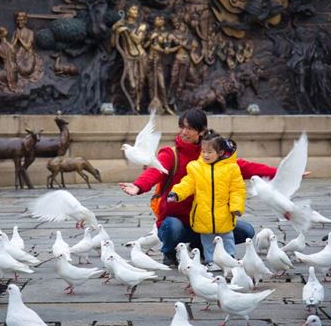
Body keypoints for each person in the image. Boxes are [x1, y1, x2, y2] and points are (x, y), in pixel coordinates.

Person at [119, 108, 277, 267]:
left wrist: (285, 174)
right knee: (171, 228)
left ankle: (199, 245)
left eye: (189, 128)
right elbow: (154, 171)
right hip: (178, 220)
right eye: (181, 127)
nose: (183, 132)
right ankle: (169, 252)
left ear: (201, 131)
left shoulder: (215, 156)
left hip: (206, 220)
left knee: (246, 231)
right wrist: (138, 186)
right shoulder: (171, 154)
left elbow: (250, 168)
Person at [167, 132, 245, 268]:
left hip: (224, 213)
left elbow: (237, 190)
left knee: (227, 238)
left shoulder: (232, 168)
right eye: (203, 151)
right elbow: (187, 183)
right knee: (208, 240)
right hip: (203, 214)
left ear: (220, 152)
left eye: (209, 152)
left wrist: (236, 206)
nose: (205, 155)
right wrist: (176, 193)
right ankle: (210, 261)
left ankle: (230, 259)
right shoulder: (196, 167)